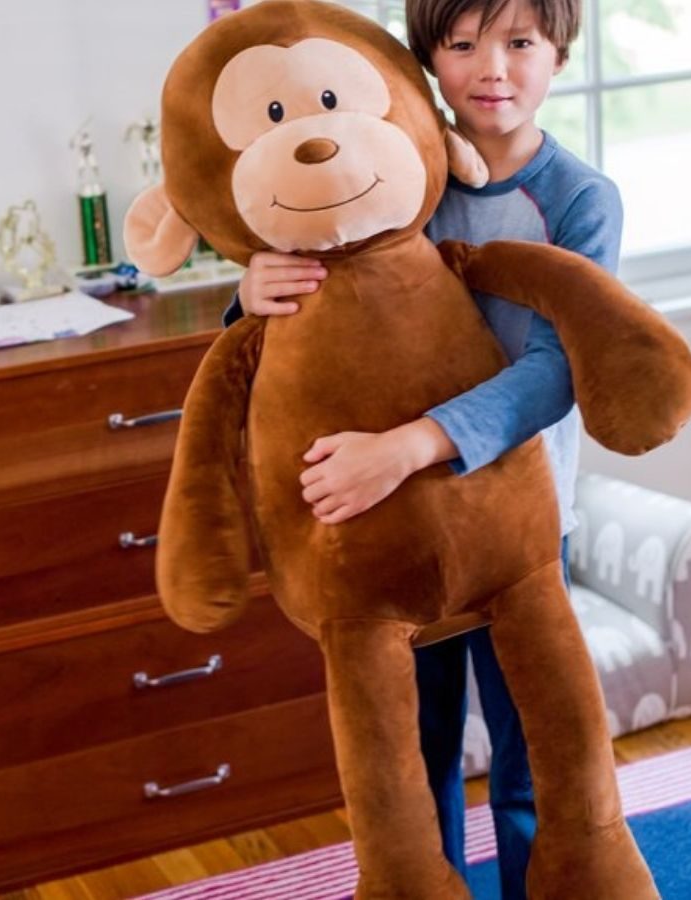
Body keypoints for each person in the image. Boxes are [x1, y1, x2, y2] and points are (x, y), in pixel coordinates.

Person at [221, 0, 623, 896]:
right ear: (422, 60)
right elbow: (309, 310)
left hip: (513, 531)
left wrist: (410, 445)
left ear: (557, 53)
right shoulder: (397, 170)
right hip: (390, 532)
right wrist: (250, 290)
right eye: (463, 42)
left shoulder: (577, 200)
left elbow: (559, 371)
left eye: (519, 42)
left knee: (529, 764)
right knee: (412, 758)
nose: (493, 67)